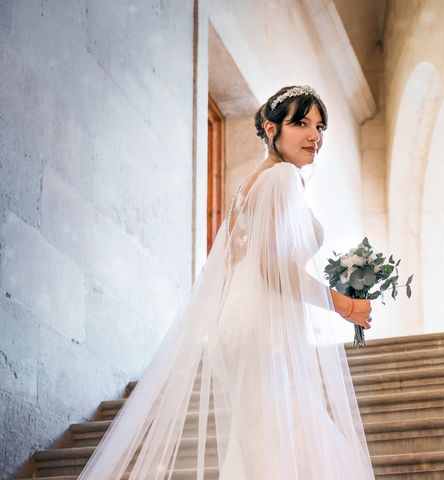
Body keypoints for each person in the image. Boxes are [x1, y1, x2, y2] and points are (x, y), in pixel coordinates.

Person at [78, 85, 376, 479]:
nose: (314, 136)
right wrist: (344, 304)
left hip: (239, 325)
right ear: (271, 129)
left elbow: (242, 262)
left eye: (320, 127)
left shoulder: (249, 185)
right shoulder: (284, 178)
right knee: (284, 443)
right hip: (263, 327)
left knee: (261, 445)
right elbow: (273, 268)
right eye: (300, 123)